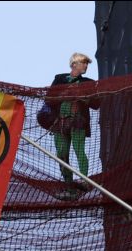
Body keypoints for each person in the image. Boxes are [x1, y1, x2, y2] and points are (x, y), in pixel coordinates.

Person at [49, 52, 96, 198]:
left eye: (87, 64)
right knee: (61, 155)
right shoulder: (60, 78)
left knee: (79, 150)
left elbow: (96, 104)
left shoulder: (88, 82)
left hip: (78, 122)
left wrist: (84, 98)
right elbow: (48, 98)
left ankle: (84, 180)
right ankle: (70, 188)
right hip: (60, 122)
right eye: (83, 63)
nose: (86, 66)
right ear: (74, 64)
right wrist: (65, 93)